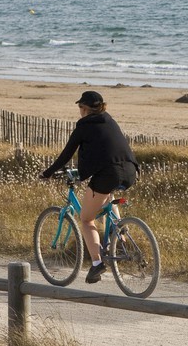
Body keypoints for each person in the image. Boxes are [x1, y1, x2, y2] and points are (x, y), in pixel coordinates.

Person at [39, 90, 140, 284]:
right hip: (130, 171)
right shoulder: (109, 120)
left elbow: (66, 155)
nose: (79, 111)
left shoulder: (83, 126)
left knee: (86, 219)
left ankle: (96, 264)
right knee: (108, 197)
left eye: (80, 107)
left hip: (108, 173)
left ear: (84, 108)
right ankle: (118, 234)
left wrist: (48, 173)